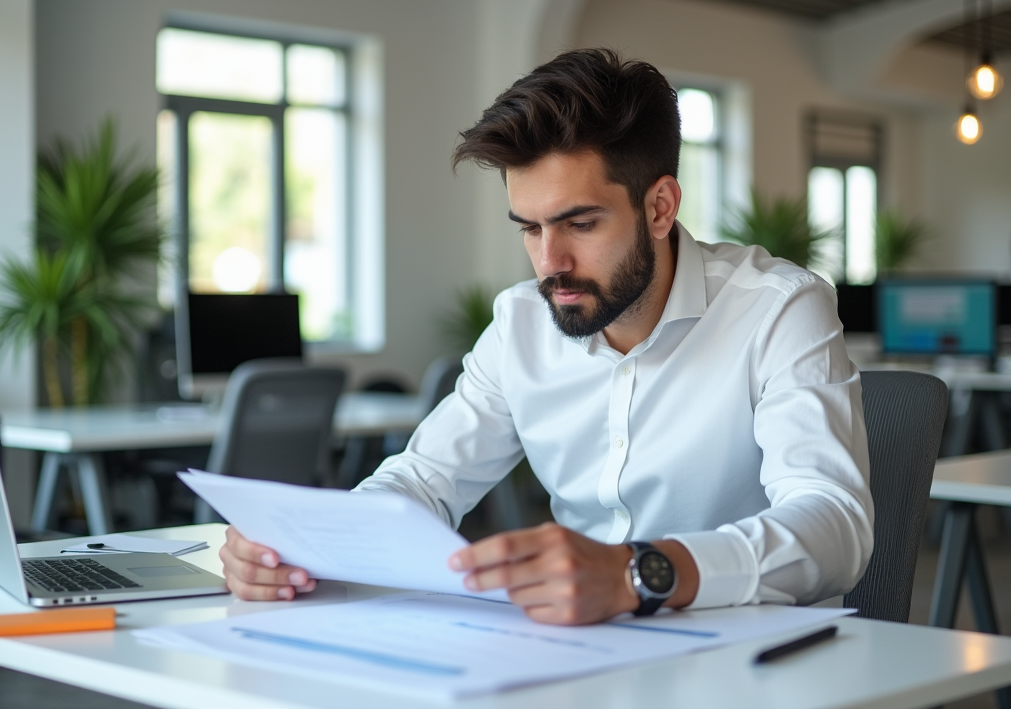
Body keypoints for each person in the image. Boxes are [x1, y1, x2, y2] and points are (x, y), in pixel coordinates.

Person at [219, 48, 873, 625]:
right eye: (529, 228)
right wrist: (309, 548)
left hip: (752, 663)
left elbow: (834, 525)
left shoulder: (779, 309)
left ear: (660, 207)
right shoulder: (520, 325)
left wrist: (635, 574)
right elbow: (423, 482)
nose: (548, 261)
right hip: (576, 658)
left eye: (579, 224)